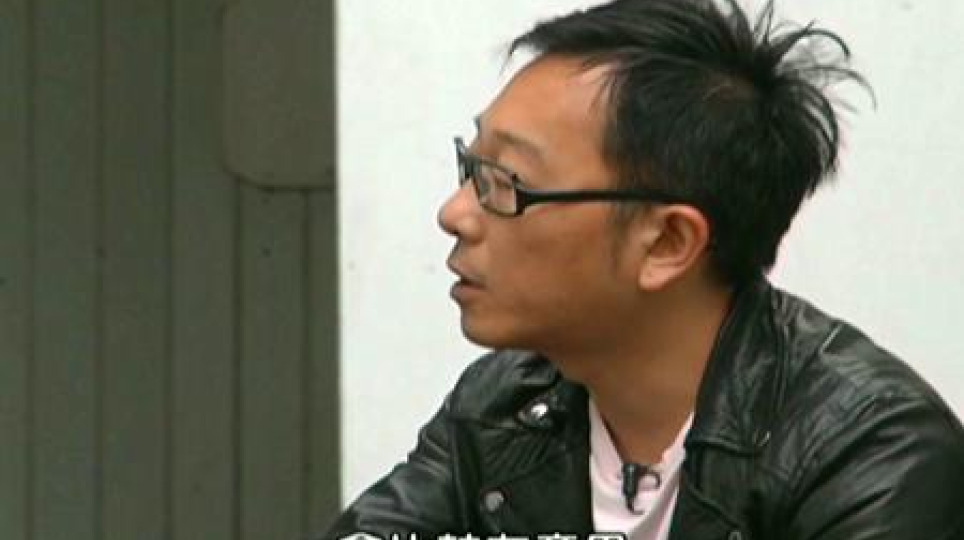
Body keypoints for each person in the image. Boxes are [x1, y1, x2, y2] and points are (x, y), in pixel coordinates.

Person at [322, 0, 964, 538]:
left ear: (667, 243)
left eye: (505, 182)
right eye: (471, 167)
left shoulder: (867, 454)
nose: (455, 212)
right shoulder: (507, 405)